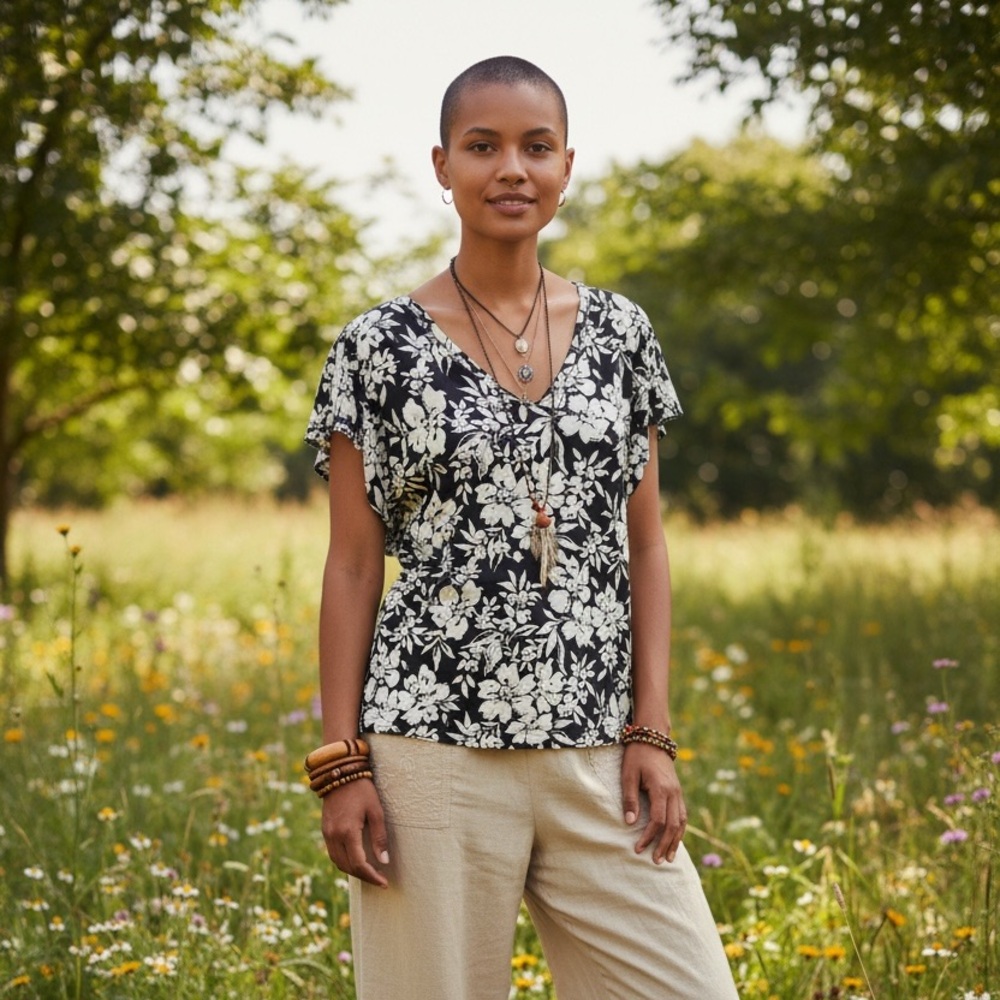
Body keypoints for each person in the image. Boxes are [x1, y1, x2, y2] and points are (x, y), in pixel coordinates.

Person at [304, 55, 739, 1000]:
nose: (512, 169)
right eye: (484, 146)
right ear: (442, 165)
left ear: (567, 166)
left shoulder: (623, 333)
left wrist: (652, 733)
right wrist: (340, 764)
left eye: (536, 147)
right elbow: (349, 565)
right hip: (430, 755)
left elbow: (648, 543)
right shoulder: (376, 348)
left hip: (596, 754)